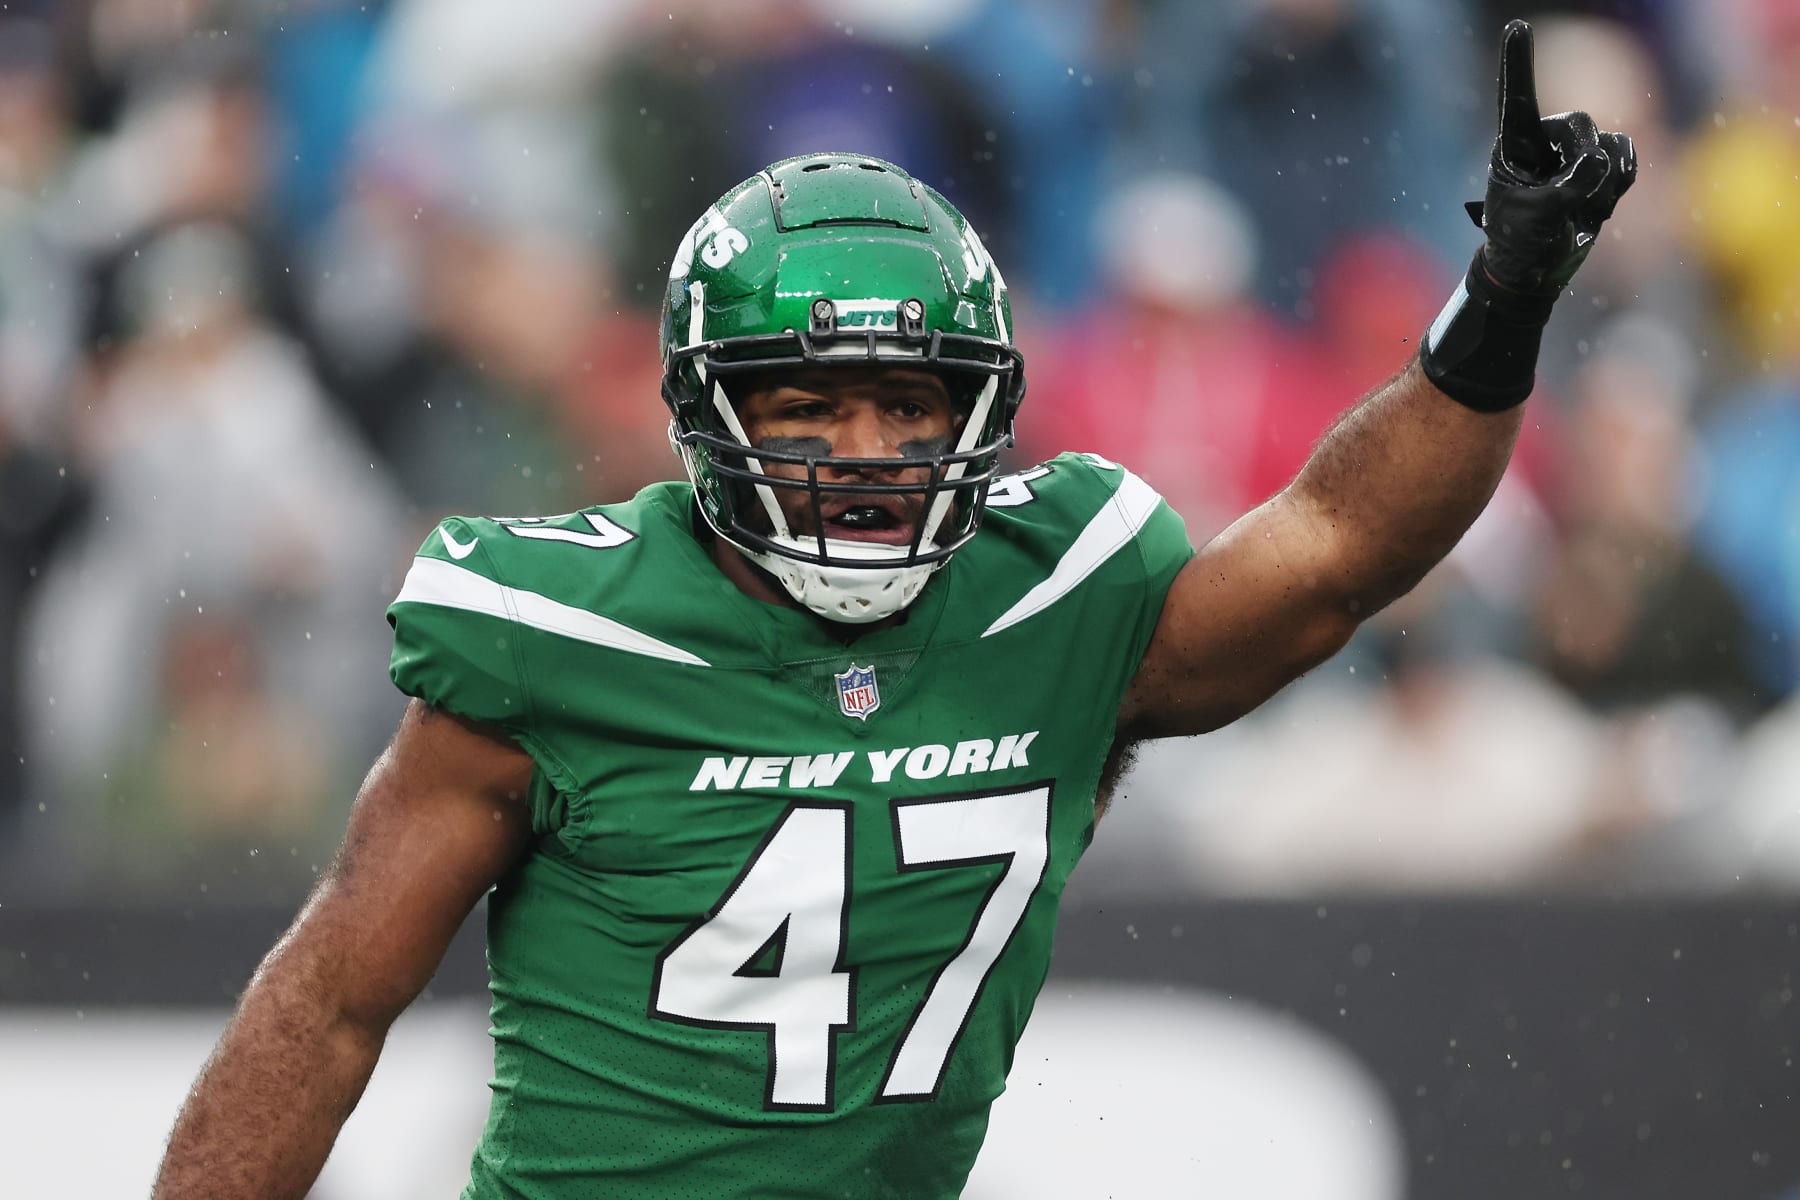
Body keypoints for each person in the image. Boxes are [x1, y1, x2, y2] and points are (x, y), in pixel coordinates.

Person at [153, 21, 1634, 1199]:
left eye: (907, 405)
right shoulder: (565, 631)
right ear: (705, 416)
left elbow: (1337, 547)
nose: (864, 453)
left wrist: (1500, 300)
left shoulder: (1059, 597)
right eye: (807, 403)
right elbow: (334, 1001)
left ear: (981, 418)